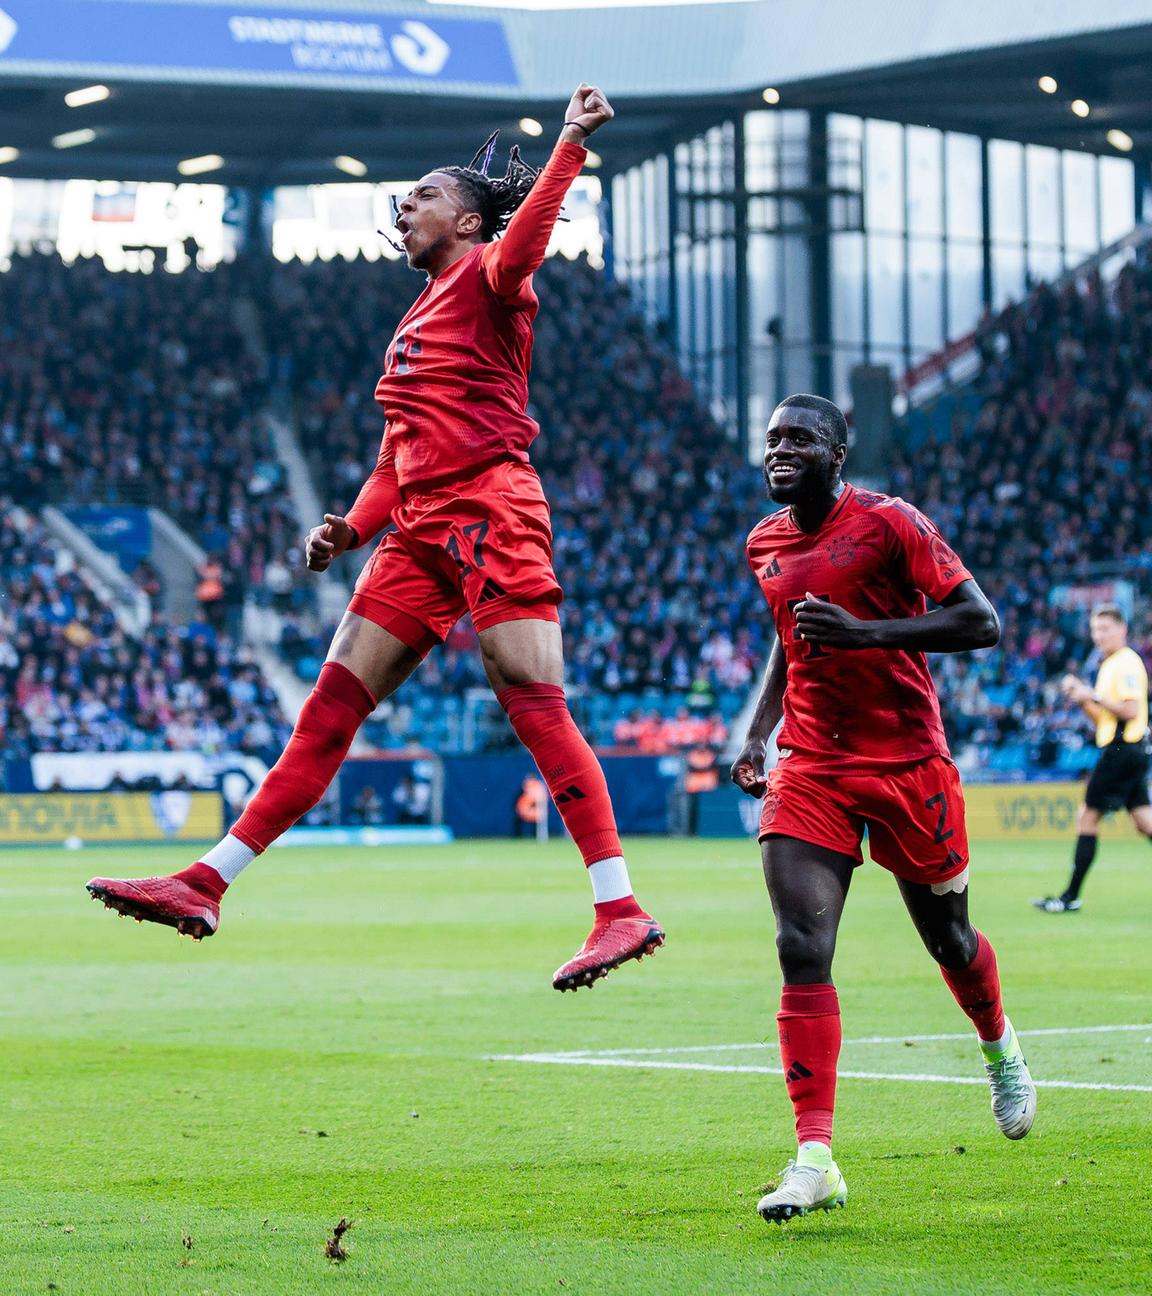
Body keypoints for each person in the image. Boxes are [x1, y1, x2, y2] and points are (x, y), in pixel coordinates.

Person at [87, 84, 663, 993]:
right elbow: (396, 459)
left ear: (467, 219)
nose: (404, 206)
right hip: (417, 532)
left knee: (529, 696)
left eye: (421, 196)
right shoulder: (416, 318)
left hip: (490, 509)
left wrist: (571, 144)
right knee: (328, 707)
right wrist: (347, 529)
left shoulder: (489, 277)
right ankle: (205, 883)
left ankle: (618, 907)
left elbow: (531, 238)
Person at [730, 394, 1036, 1225]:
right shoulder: (762, 543)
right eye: (771, 440)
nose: (780, 450)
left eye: (799, 438)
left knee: (950, 938)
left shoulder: (893, 523)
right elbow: (789, 646)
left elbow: (982, 622)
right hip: (814, 765)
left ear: (839, 451)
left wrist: (868, 634)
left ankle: (998, 1044)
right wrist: (758, 735)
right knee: (801, 943)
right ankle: (814, 1159)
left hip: (907, 764)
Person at [1033, 603, 1151, 913]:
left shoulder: (1125, 663)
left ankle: (1069, 897)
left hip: (1121, 750)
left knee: (1087, 816)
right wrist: (1083, 699)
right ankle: (1069, 897)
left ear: (1122, 629)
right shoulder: (1109, 664)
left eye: (1105, 629)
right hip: (1126, 749)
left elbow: (1131, 711)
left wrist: (1093, 694)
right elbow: (1103, 719)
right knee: (1144, 822)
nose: (1099, 636)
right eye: (1095, 630)